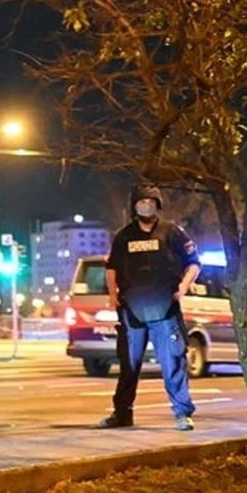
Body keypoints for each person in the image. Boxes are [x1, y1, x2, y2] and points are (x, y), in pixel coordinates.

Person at [99, 184, 201, 431]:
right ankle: (122, 413)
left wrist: (183, 287)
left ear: (157, 205)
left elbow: (194, 263)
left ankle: (182, 413)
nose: (146, 206)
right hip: (132, 311)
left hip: (165, 310)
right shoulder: (124, 236)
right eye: (141, 202)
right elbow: (111, 268)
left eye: (150, 202)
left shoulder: (172, 232)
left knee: (173, 362)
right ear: (134, 206)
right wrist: (113, 296)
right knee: (128, 365)